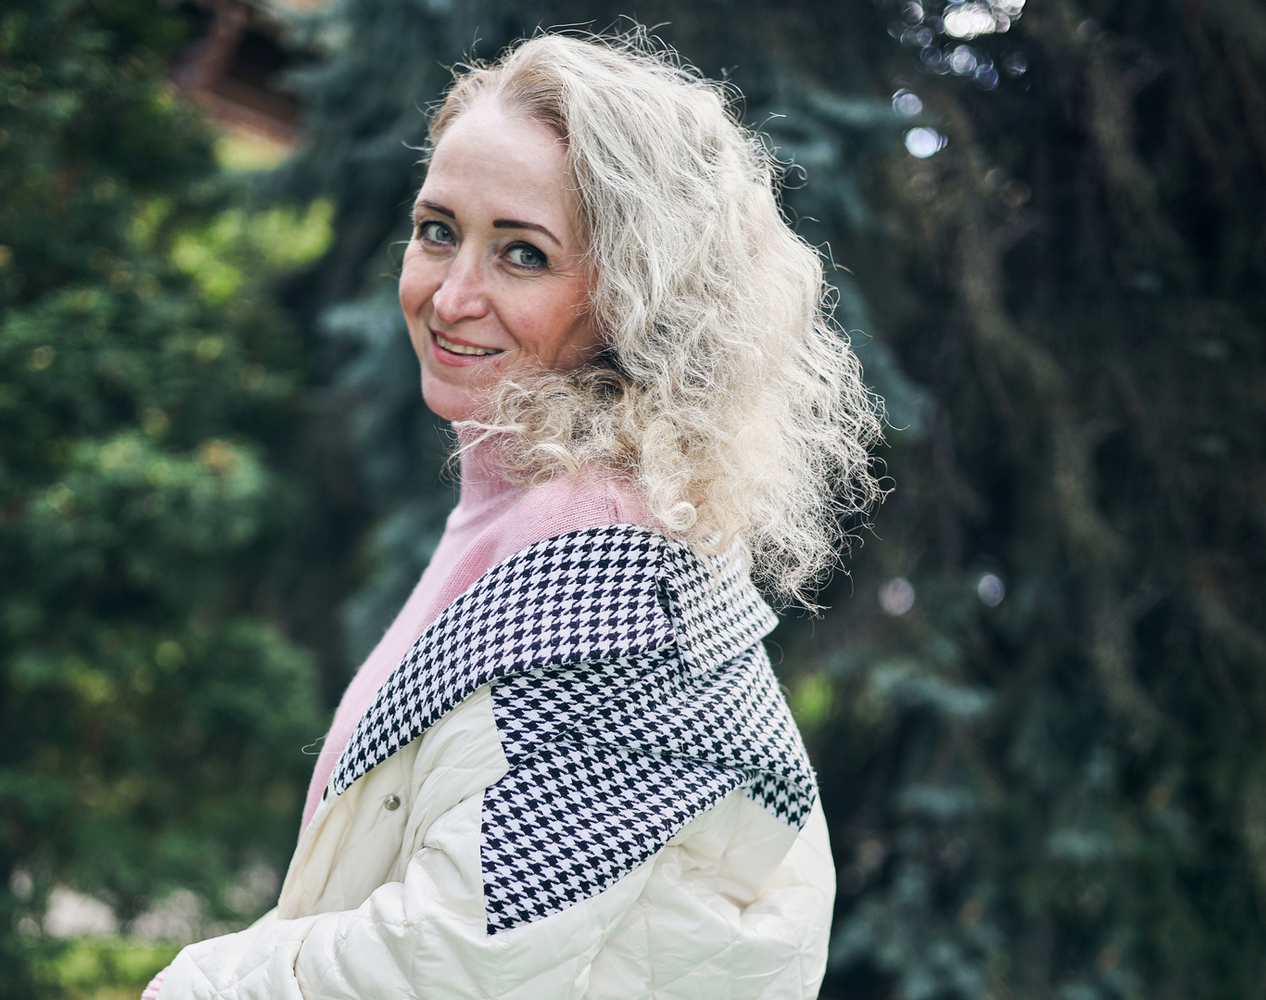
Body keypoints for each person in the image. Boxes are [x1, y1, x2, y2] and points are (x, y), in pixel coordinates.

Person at [146, 29, 881, 1000]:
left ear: (635, 293)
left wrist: (197, 984)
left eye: (522, 254)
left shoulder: (616, 587)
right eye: (437, 230)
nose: (451, 295)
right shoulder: (528, 511)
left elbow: (455, 961)